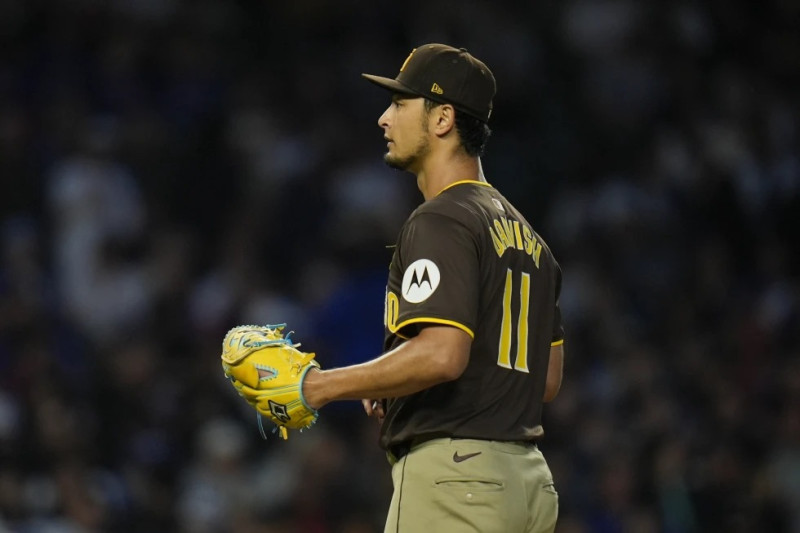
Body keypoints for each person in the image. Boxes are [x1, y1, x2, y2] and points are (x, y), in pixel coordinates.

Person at [303, 43, 565, 533]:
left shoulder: (443, 217)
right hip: (528, 485)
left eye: (401, 104)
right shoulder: (534, 242)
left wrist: (317, 387)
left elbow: (443, 356)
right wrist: (396, 382)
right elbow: (544, 379)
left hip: (457, 482)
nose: (384, 119)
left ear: (443, 118)